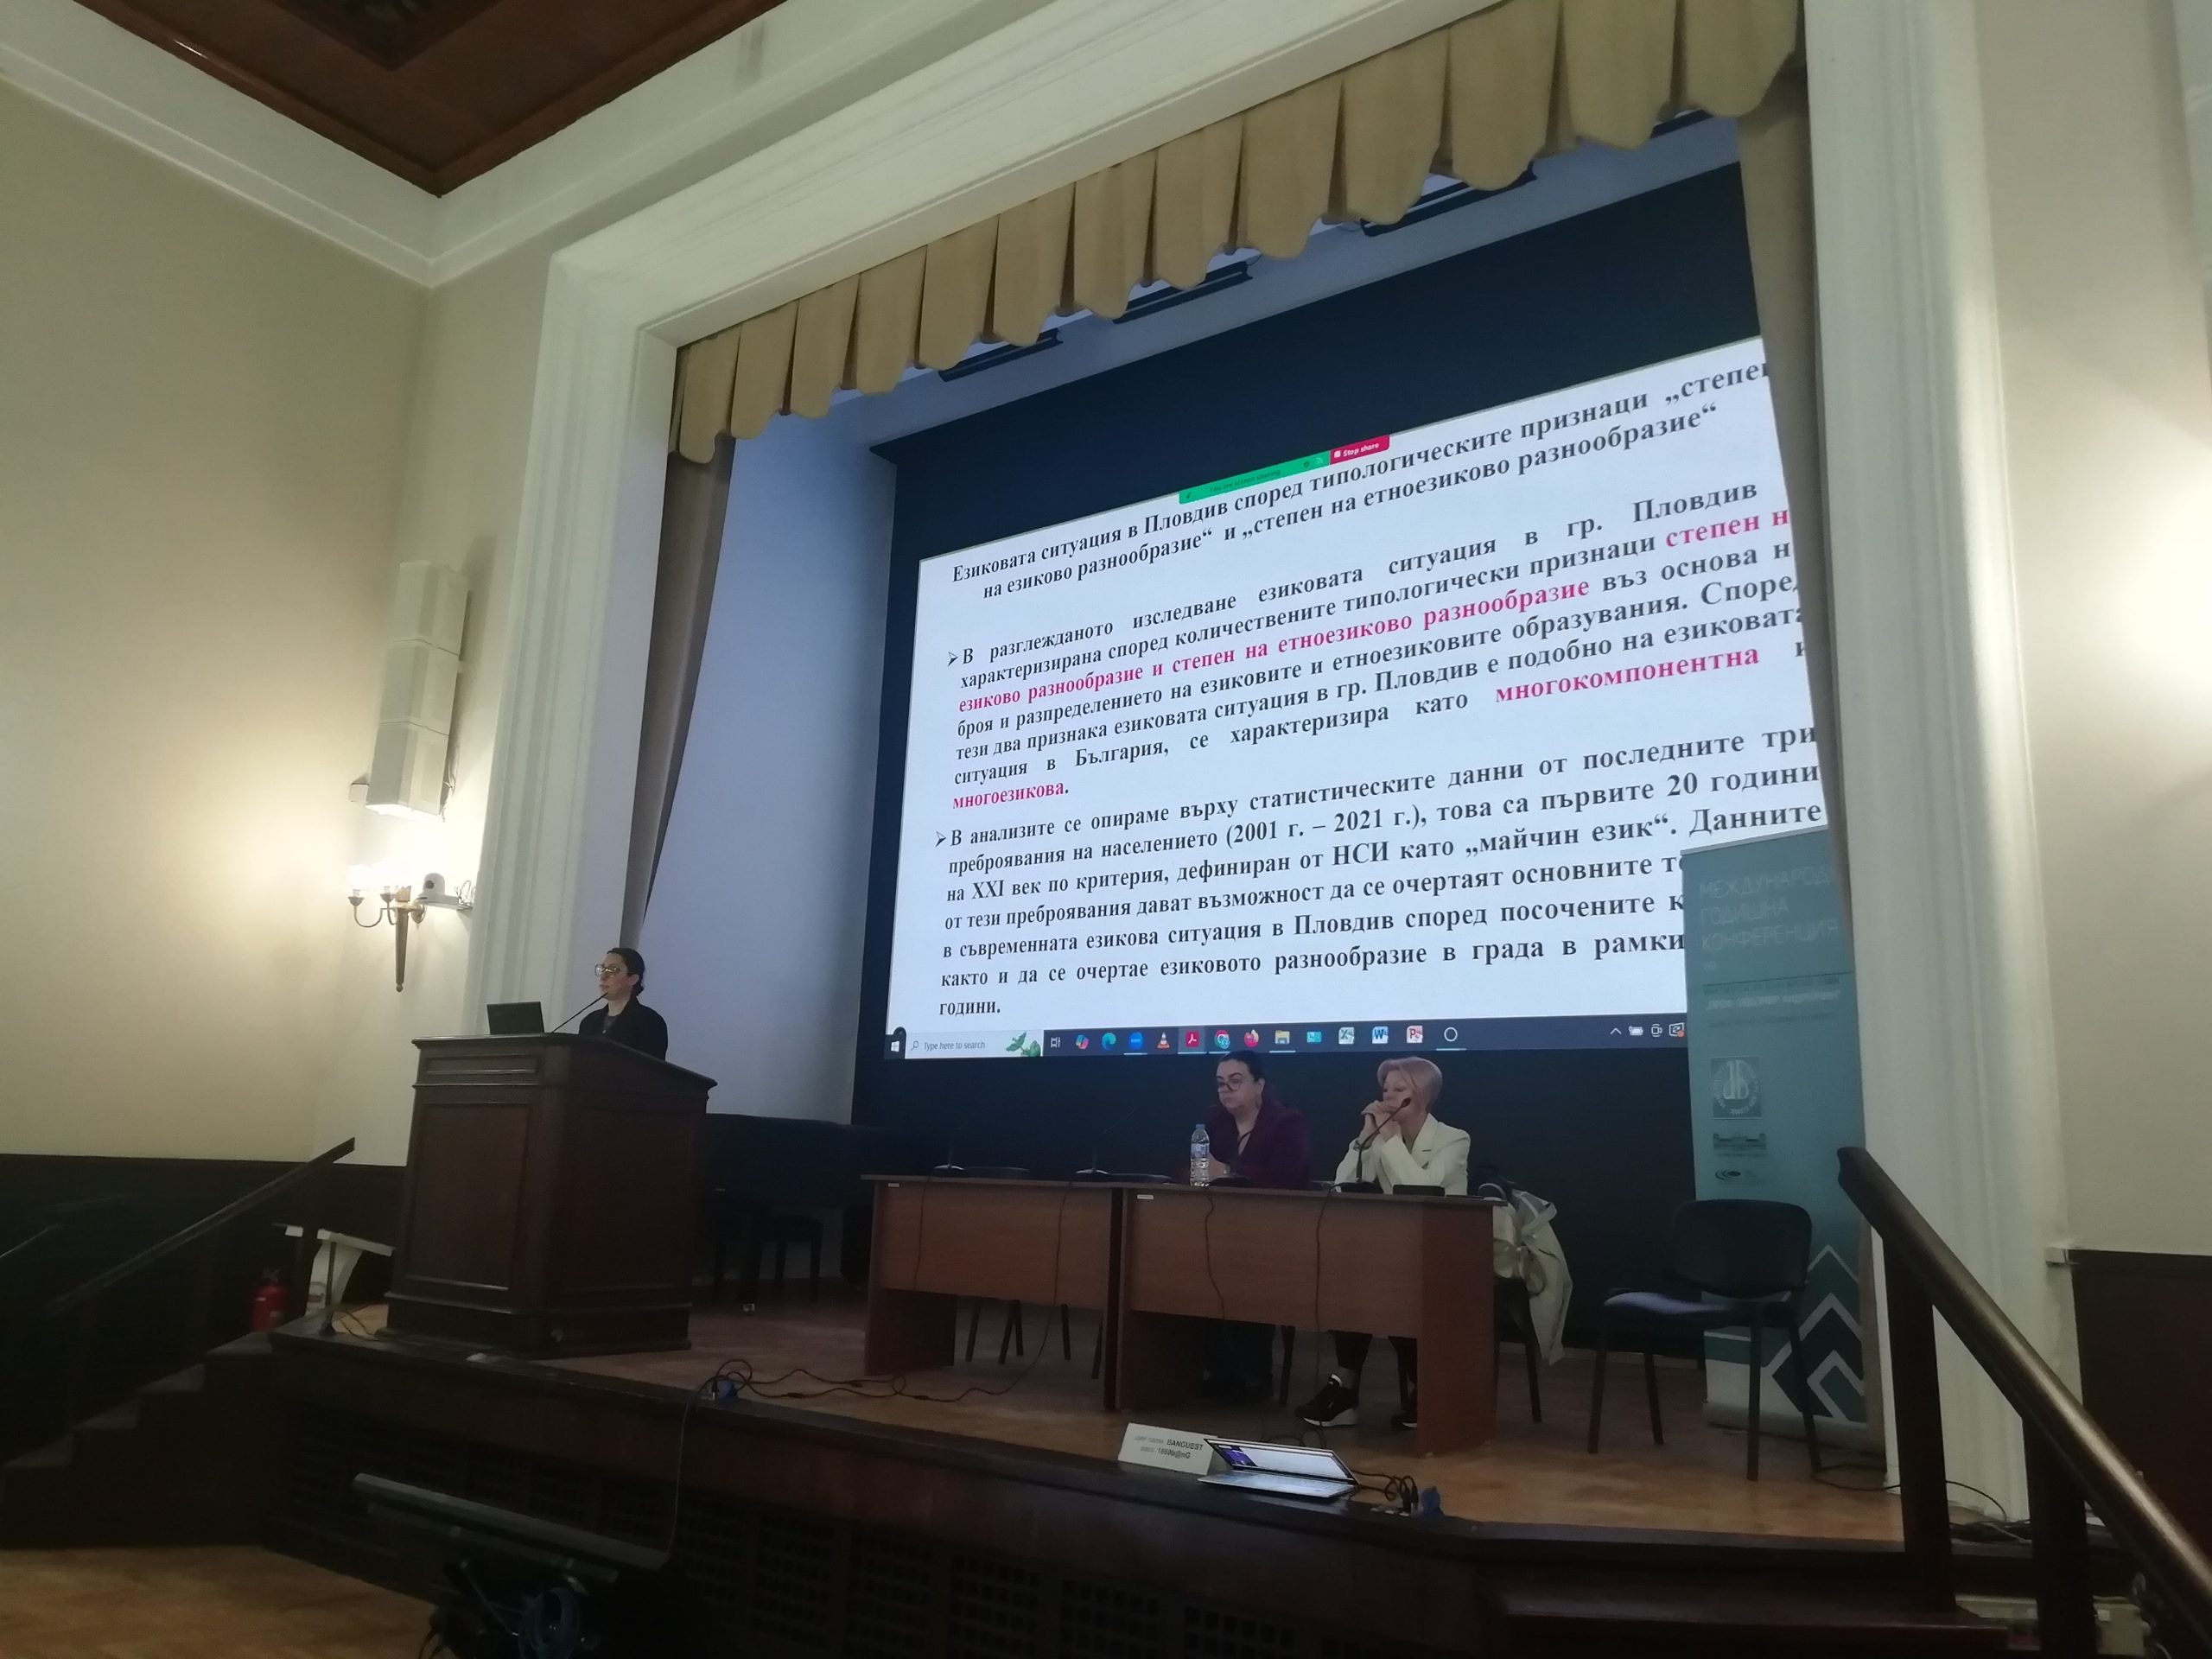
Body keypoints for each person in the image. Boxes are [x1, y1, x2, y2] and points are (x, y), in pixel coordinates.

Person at [1295, 1056, 1469, 1431]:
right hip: (1395, 1251)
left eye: (1399, 1089)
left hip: (1442, 1254)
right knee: (1353, 1284)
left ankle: (1428, 1389)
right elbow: (1343, 1184)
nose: (1388, 1096)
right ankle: (1346, 1390)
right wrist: (1365, 1138)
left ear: (1421, 1096)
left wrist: (1389, 1143)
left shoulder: (1453, 1139)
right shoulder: (1383, 1136)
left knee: (1392, 1290)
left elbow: (1424, 1191)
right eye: (1385, 1089)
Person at [1198, 1053, 1309, 1403]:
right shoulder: (1215, 1121)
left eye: (1235, 1081)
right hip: (1222, 1228)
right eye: (1220, 1083)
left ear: (1259, 1085)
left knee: (1245, 1270)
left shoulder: (1286, 1123)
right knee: (1198, 1265)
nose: (1226, 1090)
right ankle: (1215, 1371)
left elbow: (1285, 1179)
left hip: (1277, 1233)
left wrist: (1228, 1173)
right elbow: (1196, 1167)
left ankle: (1252, 1376)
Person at [578, 946, 669, 1060]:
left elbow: (651, 1068)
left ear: (633, 979)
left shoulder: (650, 1022)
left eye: (613, 970)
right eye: (603, 969)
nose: (603, 977)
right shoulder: (589, 1022)